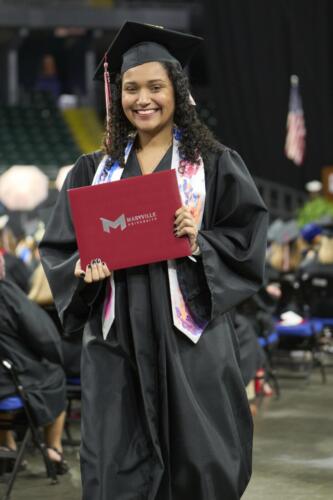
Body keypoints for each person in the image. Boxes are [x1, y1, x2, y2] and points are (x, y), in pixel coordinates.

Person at [39, 21, 268, 500]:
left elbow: (246, 238)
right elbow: (61, 248)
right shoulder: (90, 171)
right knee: (117, 466)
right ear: (117, 94)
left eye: (156, 87)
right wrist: (83, 272)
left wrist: (199, 241)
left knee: (201, 460)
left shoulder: (214, 164)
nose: (143, 99)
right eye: (131, 88)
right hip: (116, 345)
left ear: (177, 92)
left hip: (190, 341)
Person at [0, 255, 68, 473]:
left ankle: (7, 447)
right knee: (55, 375)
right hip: (11, 382)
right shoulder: (6, 294)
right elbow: (43, 336)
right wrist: (57, 355)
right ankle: (53, 449)